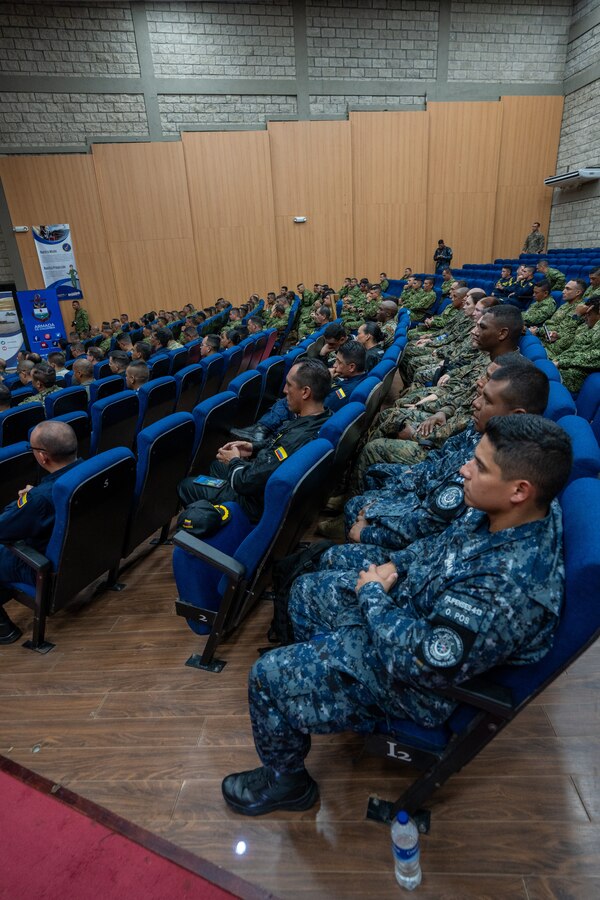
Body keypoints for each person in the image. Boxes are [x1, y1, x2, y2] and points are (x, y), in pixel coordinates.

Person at [221, 414, 571, 815]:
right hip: (407, 608)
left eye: (479, 466)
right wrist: (396, 565)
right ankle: (319, 690)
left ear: (519, 490)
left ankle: (286, 781)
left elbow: (422, 663)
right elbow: (439, 546)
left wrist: (372, 594)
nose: (464, 469)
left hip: (416, 683)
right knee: (306, 590)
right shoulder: (498, 511)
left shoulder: (509, 584)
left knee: (267, 677)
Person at [177, 359, 331, 524]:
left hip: (253, 502)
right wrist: (252, 448)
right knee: (217, 465)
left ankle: (223, 528)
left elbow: (245, 482)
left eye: (289, 385)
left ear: (305, 392)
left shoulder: (296, 438)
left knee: (186, 485)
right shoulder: (323, 416)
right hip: (264, 482)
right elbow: (278, 445)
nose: (285, 390)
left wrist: (234, 461)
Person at [0, 421, 80, 643]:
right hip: (78, 559)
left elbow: (3, 529)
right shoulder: (85, 473)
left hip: (39, 566)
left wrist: (27, 501)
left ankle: (4, 630)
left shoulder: (38, 500)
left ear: (43, 457)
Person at [553, 298, 600, 393]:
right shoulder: (588, 325)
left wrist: (561, 362)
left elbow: (595, 356)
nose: (585, 318)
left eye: (589, 314)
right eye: (584, 314)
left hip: (574, 376)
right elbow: (573, 342)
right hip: (562, 361)